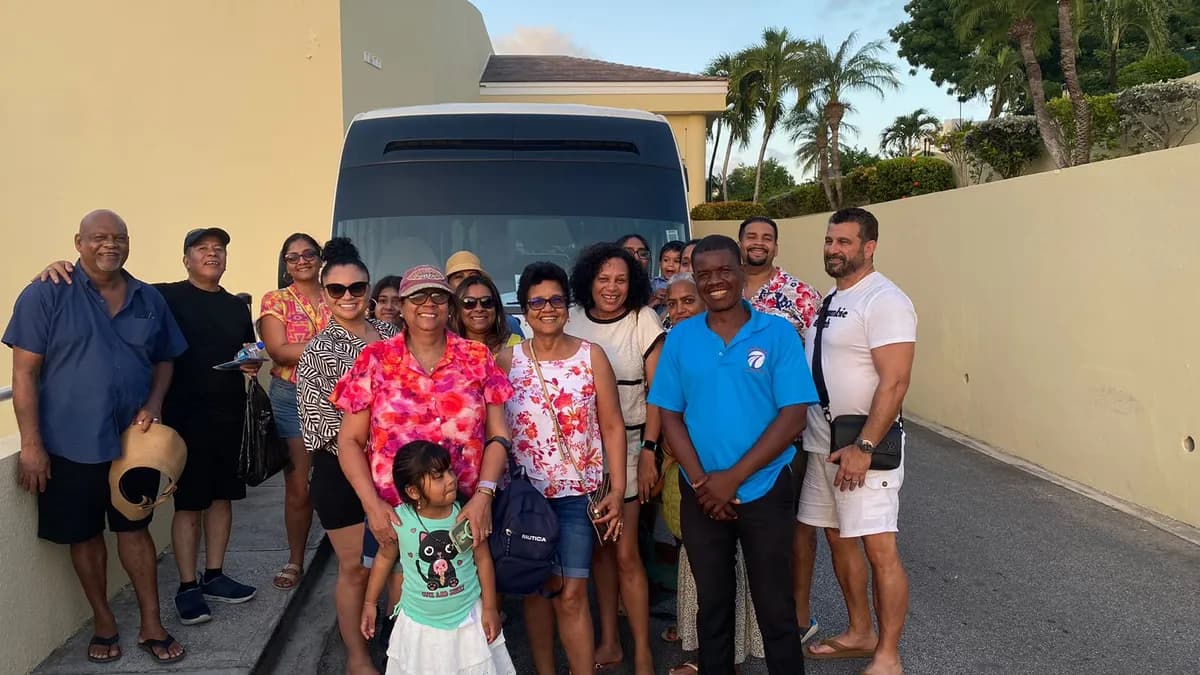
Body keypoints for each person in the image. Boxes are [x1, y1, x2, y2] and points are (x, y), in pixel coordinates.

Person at [30, 227, 263, 626]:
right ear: (186, 259)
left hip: (225, 415)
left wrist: (251, 362)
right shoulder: (163, 295)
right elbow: (106, 276)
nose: (212, 254)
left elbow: (243, 350)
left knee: (222, 499)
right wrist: (58, 267)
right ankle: (187, 586)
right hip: (179, 420)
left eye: (219, 249)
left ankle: (214, 576)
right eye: (202, 249)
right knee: (188, 504)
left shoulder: (234, 306)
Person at [4, 210, 188, 664]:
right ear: (78, 242)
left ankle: (151, 623)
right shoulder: (45, 292)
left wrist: (154, 402)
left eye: (119, 237)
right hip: (69, 441)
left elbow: (165, 358)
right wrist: (31, 445)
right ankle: (104, 622)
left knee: (135, 529)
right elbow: (24, 374)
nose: (110, 245)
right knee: (84, 534)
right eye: (99, 237)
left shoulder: (148, 297)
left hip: (134, 442)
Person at [648, 234, 818, 675]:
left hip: (765, 488)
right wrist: (704, 482)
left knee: (775, 606)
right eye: (704, 274)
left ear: (742, 272)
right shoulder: (681, 338)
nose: (715, 281)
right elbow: (670, 416)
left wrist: (732, 479)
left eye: (724, 270)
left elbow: (793, 417)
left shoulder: (777, 334)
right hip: (701, 493)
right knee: (713, 606)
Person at [332, 264, 514, 575]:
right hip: (395, 511)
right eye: (417, 296)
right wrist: (371, 505)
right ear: (402, 307)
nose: (428, 303)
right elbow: (349, 440)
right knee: (402, 596)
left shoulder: (477, 357)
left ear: (449, 305)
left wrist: (484, 496)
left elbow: (499, 435)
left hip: (465, 510)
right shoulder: (375, 359)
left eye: (438, 296)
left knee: (468, 595)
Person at [798, 208, 915, 675]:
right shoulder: (830, 297)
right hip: (823, 443)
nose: (833, 250)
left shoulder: (885, 300)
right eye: (830, 241)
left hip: (863, 448)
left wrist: (865, 447)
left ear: (869, 247)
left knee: (879, 548)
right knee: (836, 536)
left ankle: (888, 655)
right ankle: (860, 631)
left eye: (844, 242)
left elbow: (895, 381)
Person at [494, 262, 627, 675]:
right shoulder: (507, 360)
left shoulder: (592, 356)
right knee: (536, 590)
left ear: (567, 307)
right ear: (525, 310)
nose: (547, 308)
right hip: (524, 498)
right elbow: (493, 428)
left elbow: (612, 425)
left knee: (571, 592)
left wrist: (616, 490)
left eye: (555, 300)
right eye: (537, 302)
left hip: (576, 497)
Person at [297, 238, 399, 675]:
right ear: (325, 294)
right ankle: (357, 657)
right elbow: (321, 429)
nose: (348, 296)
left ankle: (399, 652)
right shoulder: (317, 352)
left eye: (356, 287)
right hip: (342, 472)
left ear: (368, 289)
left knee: (400, 564)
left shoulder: (395, 337)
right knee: (356, 568)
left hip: (398, 470)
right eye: (337, 289)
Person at [657, 272, 764, 675]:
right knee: (698, 571)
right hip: (689, 477)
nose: (680, 310)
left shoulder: (736, 343)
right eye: (672, 303)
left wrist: (722, 481)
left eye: (688, 301)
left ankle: (729, 657)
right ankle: (706, 655)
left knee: (732, 573)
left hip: (738, 480)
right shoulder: (675, 344)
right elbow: (667, 412)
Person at [565, 243, 663, 675]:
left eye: (621, 279)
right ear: (588, 280)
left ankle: (642, 652)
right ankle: (609, 641)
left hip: (630, 447)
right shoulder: (571, 318)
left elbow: (658, 394)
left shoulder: (643, 319)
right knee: (600, 554)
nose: (612, 287)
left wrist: (650, 451)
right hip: (581, 454)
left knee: (626, 553)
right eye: (603, 279)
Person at [736, 215, 824, 641]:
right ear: (739, 242)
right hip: (728, 430)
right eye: (751, 236)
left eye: (767, 238)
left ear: (776, 246)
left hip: (787, 431)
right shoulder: (719, 288)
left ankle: (798, 618)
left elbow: (821, 358)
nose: (758, 243)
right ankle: (741, 624)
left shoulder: (802, 295)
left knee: (794, 526)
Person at [360, 441, 516, 675]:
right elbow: (383, 559)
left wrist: (491, 608)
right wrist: (369, 603)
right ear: (413, 491)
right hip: (419, 624)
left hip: (468, 618)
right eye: (438, 477)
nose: (451, 479)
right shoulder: (399, 522)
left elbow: (483, 561)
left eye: (449, 471)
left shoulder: (466, 516)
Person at [259, 233, 332, 591]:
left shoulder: (338, 292)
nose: (302, 261)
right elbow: (279, 350)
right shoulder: (276, 300)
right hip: (293, 395)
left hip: (339, 395)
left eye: (308, 254)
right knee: (299, 484)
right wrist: (335, 346)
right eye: (293, 257)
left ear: (319, 258)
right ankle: (296, 558)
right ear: (285, 264)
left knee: (346, 476)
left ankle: (352, 551)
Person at [444, 250, 524, 340]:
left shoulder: (509, 323)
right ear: (448, 284)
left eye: (486, 301)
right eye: (459, 277)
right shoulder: (440, 325)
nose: (467, 281)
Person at [449, 274, 521, 354]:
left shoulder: (518, 347)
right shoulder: (446, 348)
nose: (479, 309)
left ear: (497, 307)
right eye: (469, 302)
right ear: (457, 308)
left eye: (487, 302)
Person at [650, 241, 684, 322]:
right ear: (660, 263)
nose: (670, 264)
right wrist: (654, 296)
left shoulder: (684, 284)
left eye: (676, 261)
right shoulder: (654, 283)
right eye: (666, 260)